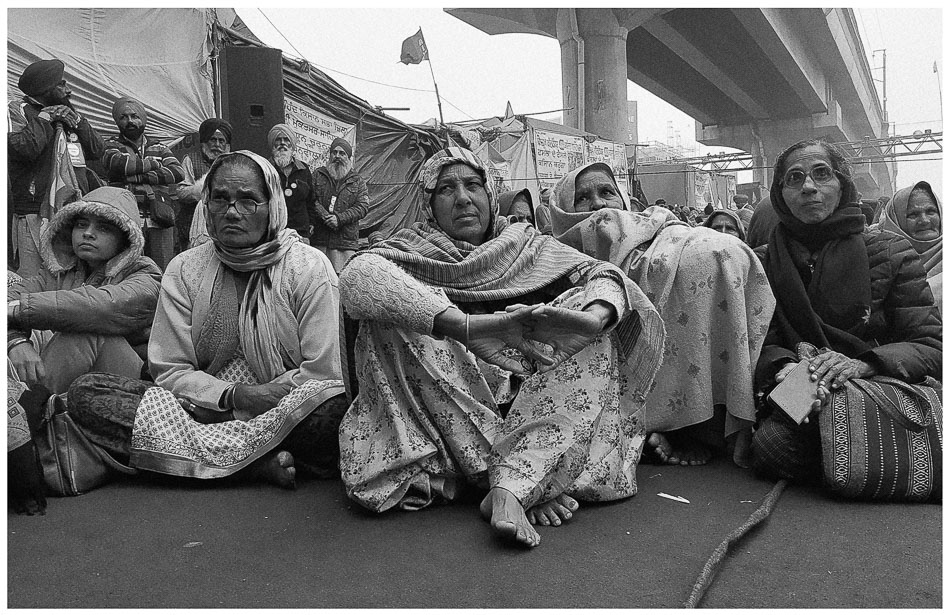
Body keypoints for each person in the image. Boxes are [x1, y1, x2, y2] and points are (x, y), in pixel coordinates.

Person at [337, 147, 665, 547]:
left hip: (529, 400)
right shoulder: (406, 250)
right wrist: (466, 327)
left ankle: (508, 486)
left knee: (593, 316)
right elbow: (357, 275)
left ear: (491, 195)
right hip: (454, 413)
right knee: (390, 315)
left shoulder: (527, 245)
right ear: (428, 204)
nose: (462, 198)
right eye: (446, 189)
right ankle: (524, 478)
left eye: (473, 185)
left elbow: (603, 274)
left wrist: (592, 318)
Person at [64, 150, 349, 489]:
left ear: (272, 205)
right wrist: (232, 396)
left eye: (248, 201)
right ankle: (251, 465)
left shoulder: (310, 267)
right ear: (206, 205)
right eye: (220, 199)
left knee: (329, 409)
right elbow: (170, 369)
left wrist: (243, 409)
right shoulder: (185, 268)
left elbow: (323, 374)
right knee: (87, 393)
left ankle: (192, 458)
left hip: (281, 412)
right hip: (196, 409)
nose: (232, 211)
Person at [550, 162, 775, 467]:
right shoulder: (554, 259)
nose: (599, 203)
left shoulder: (657, 225)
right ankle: (662, 426)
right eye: (582, 197)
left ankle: (706, 422)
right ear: (563, 212)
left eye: (606, 192)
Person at [750, 139, 942, 483]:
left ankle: (855, 457)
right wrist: (787, 368)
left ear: (843, 183)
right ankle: (856, 459)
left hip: (878, 382)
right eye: (794, 178)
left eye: (821, 174)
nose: (809, 187)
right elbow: (760, 341)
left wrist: (862, 363)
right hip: (804, 382)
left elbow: (929, 345)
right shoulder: (764, 260)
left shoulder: (891, 250)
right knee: (772, 447)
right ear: (780, 194)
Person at [7, 187, 161, 399]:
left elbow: (101, 307)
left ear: (125, 239)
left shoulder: (146, 274)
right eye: (81, 224)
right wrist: (15, 341)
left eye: (104, 228)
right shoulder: (59, 271)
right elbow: (8, 300)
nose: (88, 233)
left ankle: (28, 415)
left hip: (135, 385)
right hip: (79, 378)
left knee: (85, 331)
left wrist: (21, 310)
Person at [9, 58, 105, 277]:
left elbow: (97, 150)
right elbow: (24, 148)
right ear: (45, 88)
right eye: (61, 84)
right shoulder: (17, 110)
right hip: (35, 211)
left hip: (73, 209)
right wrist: (44, 118)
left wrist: (78, 121)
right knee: (34, 276)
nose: (67, 89)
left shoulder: (68, 112)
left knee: (70, 273)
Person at [102, 96, 185, 271]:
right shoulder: (111, 144)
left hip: (158, 218)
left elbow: (177, 173)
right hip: (124, 219)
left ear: (143, 119)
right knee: (125, 271)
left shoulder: (160, 147)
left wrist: (135, 177)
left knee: (161, 271)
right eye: (123, 117)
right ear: (118, 121)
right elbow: (118, 164)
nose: (129, 121)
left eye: (134, 116)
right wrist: (153, 165)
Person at [872, 181, 942, 314]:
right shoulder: (878, 261)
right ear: (895, 222)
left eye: (931, 211)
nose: (924, 220)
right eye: (913, 215)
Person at [313, 137, 370, 271]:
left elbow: (362, 207)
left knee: (341, 282)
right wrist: (325, 216)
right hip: (319, 240)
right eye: (335, 152)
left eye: (342, 153)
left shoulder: (357, 181)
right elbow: (311, 199)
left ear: (348, 157)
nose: (337, 156)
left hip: (344, 243)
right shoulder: (318, 175)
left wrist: (339, 219)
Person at [176, 118, 232, 251]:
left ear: (227, 145)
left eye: (221, 141)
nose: (217, 145)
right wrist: (204, 189)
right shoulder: (190, 159)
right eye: (213, 140)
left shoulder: (232, 163)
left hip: (224, 224)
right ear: (204, 141)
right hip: (192, 226)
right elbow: (181, 192)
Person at [266, 124, 318, 245]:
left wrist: (311, 223)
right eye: (278, 140)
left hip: (301, 232)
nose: (282, 143)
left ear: (292, 144)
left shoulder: (303, 169)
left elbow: (311, 200)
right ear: (272, 144)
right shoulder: (265, 169)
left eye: (286, 139)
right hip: (274, 233)